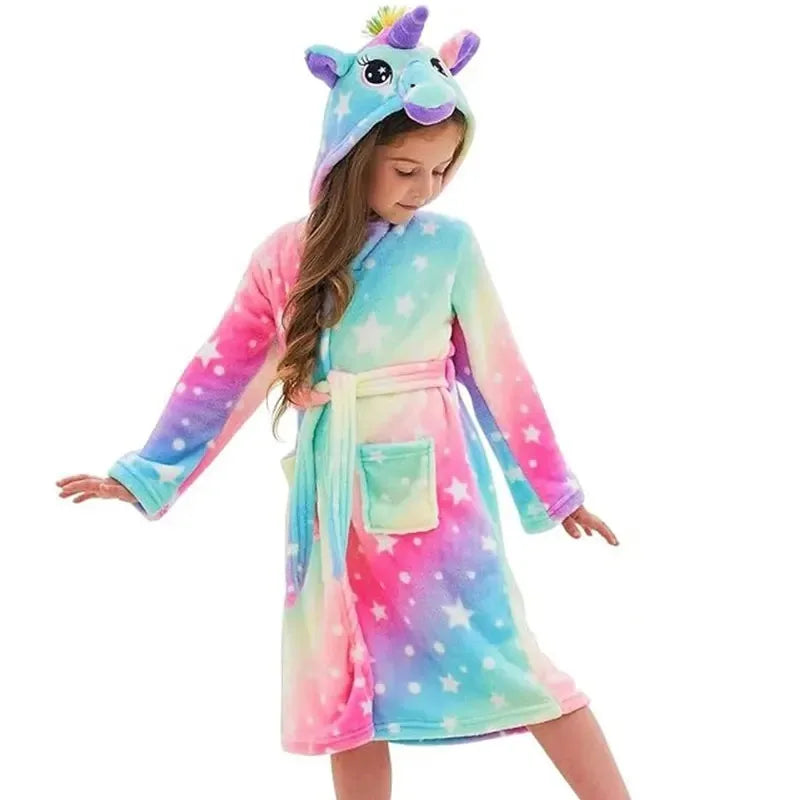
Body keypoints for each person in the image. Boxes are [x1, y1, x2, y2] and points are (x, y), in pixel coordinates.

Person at [56, 6, 630, 799]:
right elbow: (222, 371)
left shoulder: (450, 247)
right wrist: (146, 472)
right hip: (332, 507)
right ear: (351, 155)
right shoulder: (285, 256)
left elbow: (501, 376)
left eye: (442, 170)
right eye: (406, 170)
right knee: (350, 690)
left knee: (515, 661)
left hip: (435, 505)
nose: (426, 190)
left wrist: (555, 489)